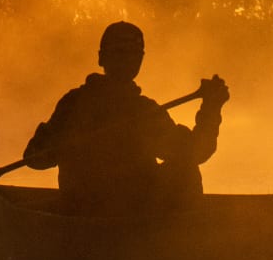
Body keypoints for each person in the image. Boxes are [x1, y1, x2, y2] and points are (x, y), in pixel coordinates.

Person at [22, 21, 230, 212]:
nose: (127, 60)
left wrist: (55, 142)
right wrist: (211, 109)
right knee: (185, 167)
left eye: (132, 54)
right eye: (121, 53)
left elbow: (36, 159)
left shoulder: (74, 102)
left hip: (80, 207)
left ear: (101, 58)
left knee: (183, 161)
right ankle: (184, 239)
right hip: (131, 211)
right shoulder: (143, 111)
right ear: (102, 57)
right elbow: (196, 152)